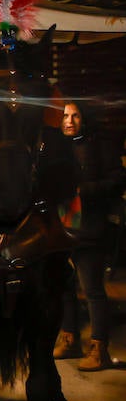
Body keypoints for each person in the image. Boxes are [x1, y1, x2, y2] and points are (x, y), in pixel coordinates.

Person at [54, 101, 125, 371]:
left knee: (93, 290)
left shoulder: (100, 145)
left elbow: (118, 179)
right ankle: (69, 339)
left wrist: (85, 190)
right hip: (62, 229)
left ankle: (99, 349)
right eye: (64, 116)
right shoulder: (56, 149)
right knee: (65, 287)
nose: (69, 121)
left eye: (75, 116)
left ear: (84, 118)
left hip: (91, 228)